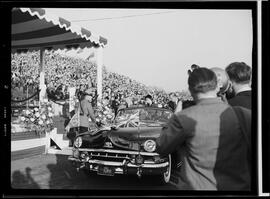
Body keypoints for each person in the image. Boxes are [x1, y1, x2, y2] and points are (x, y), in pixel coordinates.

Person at [156, 67, 251, 190]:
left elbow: (161, 146)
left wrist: (174, 116)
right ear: (217, 87)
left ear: (190, 90)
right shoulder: (243, 114)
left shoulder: (183, 117)